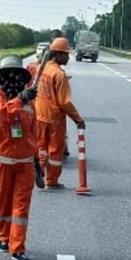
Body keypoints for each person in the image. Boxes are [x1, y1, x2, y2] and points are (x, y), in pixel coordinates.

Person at [0, 55, 39, 260]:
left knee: (21, 206)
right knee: (4, 202)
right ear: (1, 79)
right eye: (9, 75)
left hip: (24, 164)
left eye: (18, 75)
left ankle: (17, 247)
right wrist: (21, 99)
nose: (14, 79)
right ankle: (4, 236)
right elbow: (1, 112)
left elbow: (32, 134)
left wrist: (37, 162)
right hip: (1, 163)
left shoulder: (29, 102)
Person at [35, 37, 85, 189]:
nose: (68, 57)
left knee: (41, 147)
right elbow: (64, 102)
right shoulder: (59, 75)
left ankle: (39, 169)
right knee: (55, 152)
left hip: (39, 114)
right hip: (54, 119)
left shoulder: (42, 69)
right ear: (58, 54)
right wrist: (78, 119)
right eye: (66, 54)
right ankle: (52, 180)